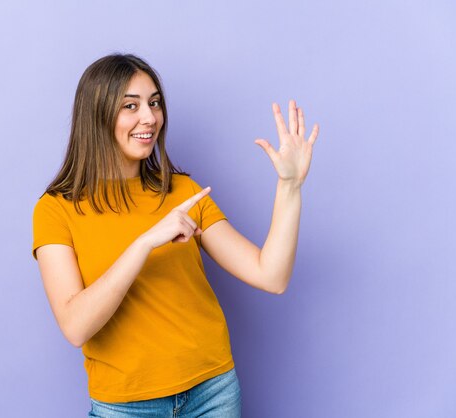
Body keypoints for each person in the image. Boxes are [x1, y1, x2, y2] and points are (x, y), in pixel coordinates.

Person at [32, 53, 319, 417]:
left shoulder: (182, 192)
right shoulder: (56, 208)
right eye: (130, 106)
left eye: (154, 103)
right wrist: (144, 243)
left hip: (212, 391)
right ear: (97, 114)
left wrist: (290, 186)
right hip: (126, 406)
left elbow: (271, 275)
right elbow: (76, 327)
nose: (149, 117)